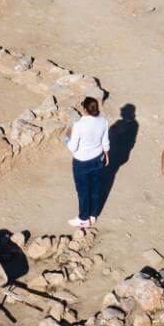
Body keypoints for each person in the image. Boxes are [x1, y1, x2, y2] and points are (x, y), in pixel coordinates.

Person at [64, 97, 110, 229]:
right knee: (95, 188)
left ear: (84, 109)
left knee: (83, 190)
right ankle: (93, 215)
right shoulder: (103, 121)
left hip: (82, 162)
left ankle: (83, 218)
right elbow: (105, 141)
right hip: (98, 158)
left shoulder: (79, 125)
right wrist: (107, 153)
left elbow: (73, 147)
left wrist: (67, 139)